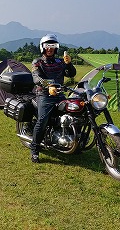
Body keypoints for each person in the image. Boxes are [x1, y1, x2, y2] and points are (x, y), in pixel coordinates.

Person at [30, 34, 76, 163]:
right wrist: (48, 85)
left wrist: (69, 64)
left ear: (56, 48)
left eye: (53, 46)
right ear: (42, 47)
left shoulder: (60, 62)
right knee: (43, 120)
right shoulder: (37, 62)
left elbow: (71, 74)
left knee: (73, 113)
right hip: (44, 95)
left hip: (60, 95)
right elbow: (36, 77)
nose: (50, 49)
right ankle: (35, 149)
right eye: (47, 46)